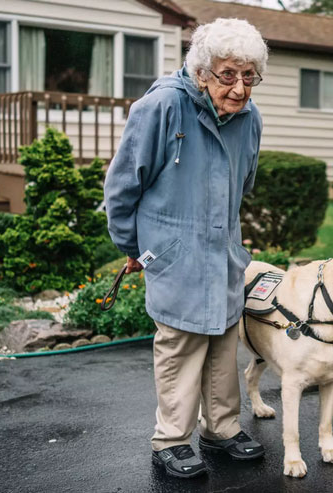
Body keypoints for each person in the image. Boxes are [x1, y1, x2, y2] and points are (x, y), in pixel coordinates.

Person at [103, 18, 268, 479]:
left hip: (223, 248)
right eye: (228, 74)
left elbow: (245, 182)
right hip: (174, 251)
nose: (238, 88)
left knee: (222, 340)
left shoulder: (249, 118)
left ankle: (221, 429)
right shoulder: (162, 106)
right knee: (179, 344)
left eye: (248, 75)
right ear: (201, 72)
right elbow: (121, 189)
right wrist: (137, 248)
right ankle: (171, 440)